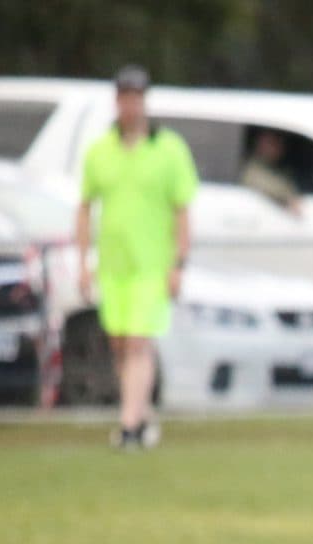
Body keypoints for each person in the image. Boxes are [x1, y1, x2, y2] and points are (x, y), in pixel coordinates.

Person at [74, 66, 196, 451]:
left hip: (151, 266)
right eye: (125, 98)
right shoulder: (100, 151)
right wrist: (83, 262)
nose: (131, 106)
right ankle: (142, 415)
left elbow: (182, 211)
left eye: (136, 98)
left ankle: (128, 426)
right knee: (121, 344)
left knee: (140, 342)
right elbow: (85, 207)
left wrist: (179, 263)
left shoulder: (169, 149)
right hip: (114, 266)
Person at [239, 128, 301, 216]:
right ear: (259, 143)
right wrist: (287, 198)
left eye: (280, 143)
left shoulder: (279, 169)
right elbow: (262, 184)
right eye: (272, 143)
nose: (278, 147)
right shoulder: (252, 166)